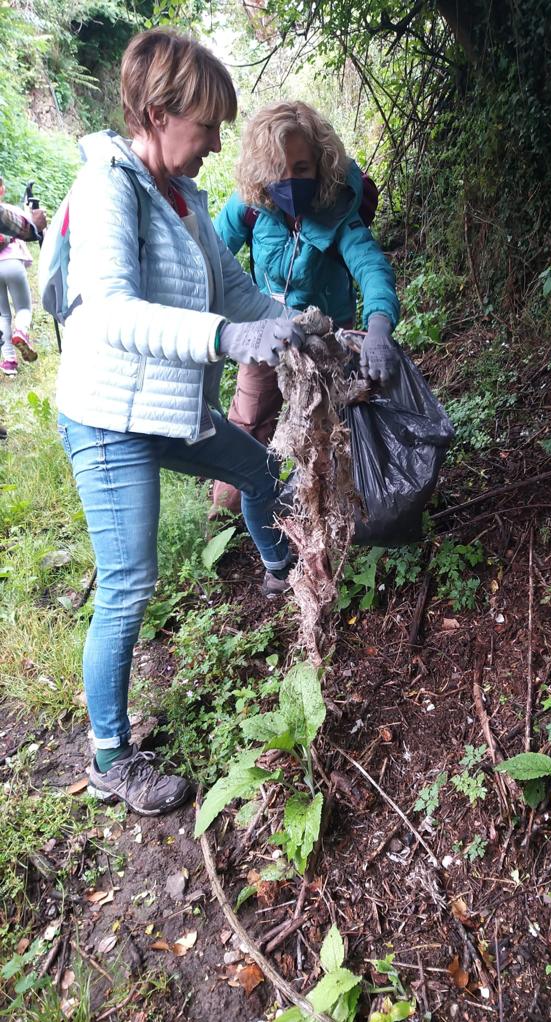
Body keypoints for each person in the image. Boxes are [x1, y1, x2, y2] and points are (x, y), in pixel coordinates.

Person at [56, 28, 309, 816]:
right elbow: (114, 312)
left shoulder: (184, 198)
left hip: (163, 403)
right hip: (105, 417)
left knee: (258, 469)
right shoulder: (109, 186)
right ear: (161, 113)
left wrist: (302, 322)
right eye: (208, 126)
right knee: (130, 584)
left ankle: (282, 574)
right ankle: (109, 758)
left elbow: (237, 294)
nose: (216, 142)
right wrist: (228, 340)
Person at [210, 100, 400, 515]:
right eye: (279, 171)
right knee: (248, 421)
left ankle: (328, 515)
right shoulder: (248, 207)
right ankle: (226, 516)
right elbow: (210, 257)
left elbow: (371, 267)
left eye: (301, 169)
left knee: (327, 432)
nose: (290, 181)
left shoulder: (337, 212)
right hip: (266, 330)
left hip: (325, 342)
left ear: (319, 165)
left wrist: (380, 325)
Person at [0, 176, 38, 375]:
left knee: (3, 314)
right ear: (2, 190)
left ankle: (9, 362)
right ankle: (21, 331)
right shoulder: (9, 212)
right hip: (13, 264)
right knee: (23, 308)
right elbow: (31, 228)